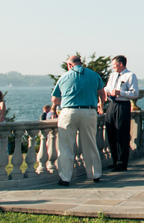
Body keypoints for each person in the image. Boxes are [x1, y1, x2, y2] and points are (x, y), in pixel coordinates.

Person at [51, 54, 106, 186]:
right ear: (80, 63)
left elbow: (55, 99)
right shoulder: (94, 75)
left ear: (69, 65)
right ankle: (95, 174)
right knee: (90, 143)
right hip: (89, 111)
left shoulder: (64, 77)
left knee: (66, 146)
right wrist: (101, 105)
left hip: (69, 112)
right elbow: (102, 94)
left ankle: (65, 177)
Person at [104, 54, 138, 172]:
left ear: (120, 64)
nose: (113, 67)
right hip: (112, 105)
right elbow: (107, 87)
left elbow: (135, 93)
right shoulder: (113, 75)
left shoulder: (130, 75)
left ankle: (122, 163)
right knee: (111, 132)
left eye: (114, 65)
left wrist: (120, 93)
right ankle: (114, 161)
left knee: (122, 134)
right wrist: (107, 92)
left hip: (123, 105)